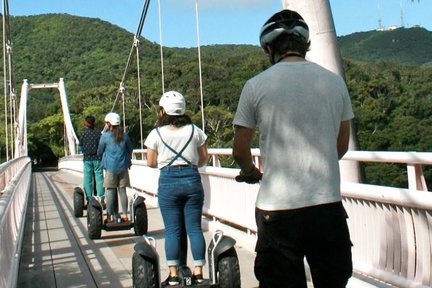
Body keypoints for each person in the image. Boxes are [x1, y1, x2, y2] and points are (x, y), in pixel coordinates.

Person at [232, 9, 354, 288]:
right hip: (327, 208)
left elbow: (240, 151)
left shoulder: (255, 86)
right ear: (305, 44)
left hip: (278, 212)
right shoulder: (335, 83)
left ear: (270, 48)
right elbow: (341, 146)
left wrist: (250, 171)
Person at [144, 91, 208, 286]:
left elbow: (150, 162)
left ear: (163, 111)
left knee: (172, 230)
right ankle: (198, 273)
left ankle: (172, 275)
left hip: (168, 181)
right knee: (195, 228)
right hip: (192, 180)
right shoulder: (195, 130)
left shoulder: (156, 134)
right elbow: (203, 158)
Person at [98, 112, 133, 223]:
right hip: (123, 167)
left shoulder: (105, 136)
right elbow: (130, 149)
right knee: (122, 191)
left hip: (110, 168)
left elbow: (100, 151)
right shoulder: (125, 135)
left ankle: (108, 216)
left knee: (111, 192)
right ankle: (125, 215)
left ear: (109, 124)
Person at [78, 115, 104, 205]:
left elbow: (80, 146)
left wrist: (84, 151)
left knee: (87, 178)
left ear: (87, 123)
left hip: (87, 159)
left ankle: (89, 199)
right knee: (99, 178)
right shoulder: (98, 134)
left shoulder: (82, 134)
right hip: (97, 159)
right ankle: (101, 198)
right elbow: (101, 146)